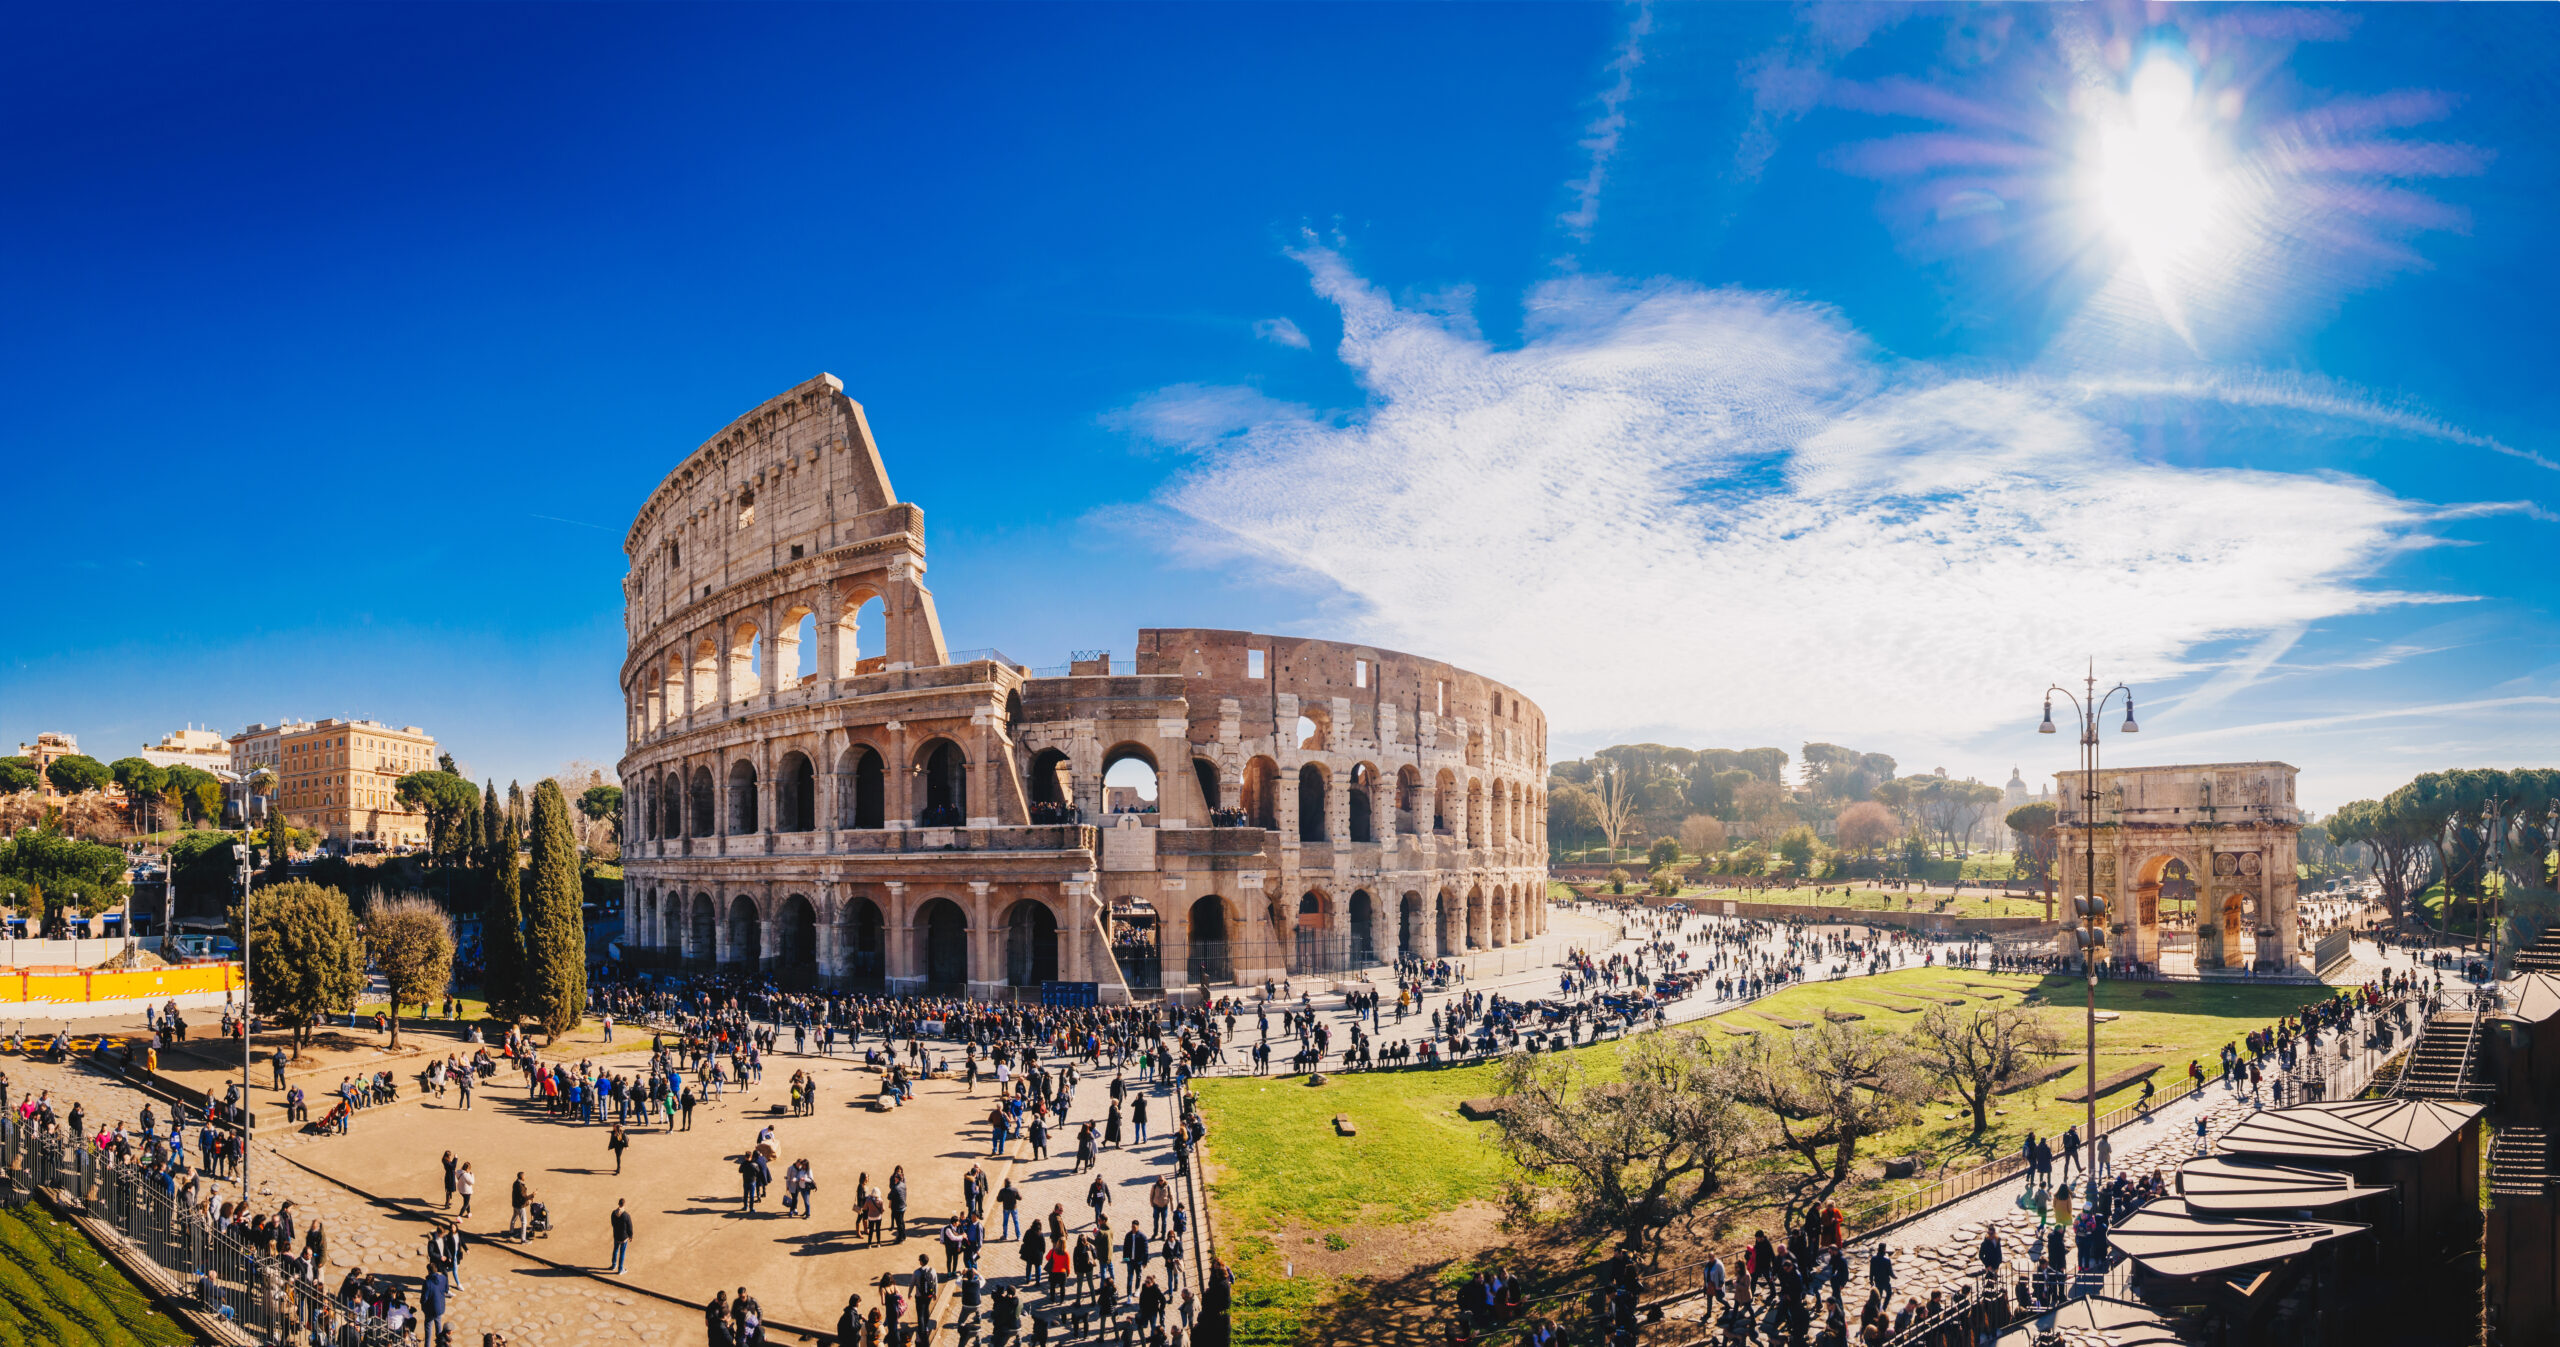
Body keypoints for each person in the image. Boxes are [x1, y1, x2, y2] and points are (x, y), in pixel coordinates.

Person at [610, 1199, 634, 1275]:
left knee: (615, 1250)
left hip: (616, 1235)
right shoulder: (626, 1215)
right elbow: (630, 1227)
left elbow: (613, 1223)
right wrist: (630, 1236)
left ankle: (613, 1265)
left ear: (618, 1203)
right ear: (624, 1204)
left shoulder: (613, 1213)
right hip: (624, 1237)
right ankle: (620, 1269)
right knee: (622, 1253)